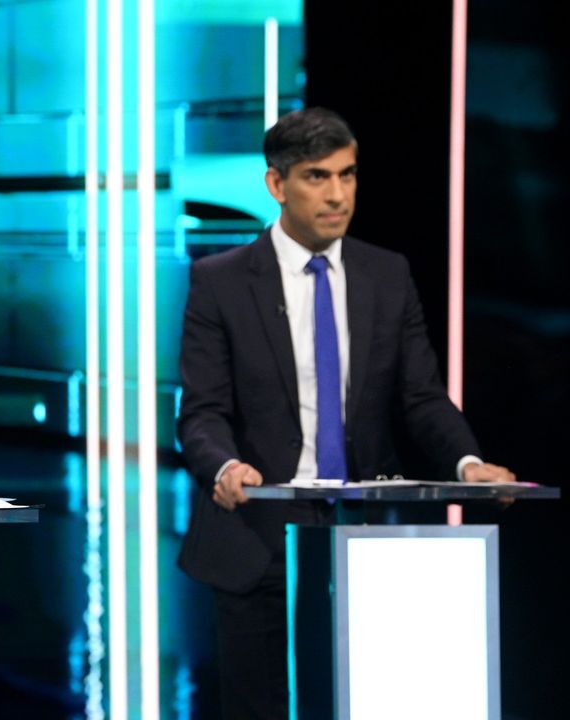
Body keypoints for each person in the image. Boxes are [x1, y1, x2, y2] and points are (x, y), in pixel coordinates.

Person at [175, 107, 514, 720]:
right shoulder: (220, 281)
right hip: (260, 539)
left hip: (369, 539)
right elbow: (201, 411)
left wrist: (467, 463)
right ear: (276, 185)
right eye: (316, 177)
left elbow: (421, 396)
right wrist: (224, 466)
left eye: (348, 175)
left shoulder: (386, 274)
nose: (338, 195)